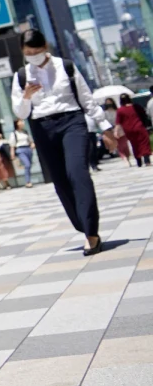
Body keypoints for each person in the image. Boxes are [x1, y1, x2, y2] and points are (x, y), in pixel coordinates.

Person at [12, 28, 110, 256]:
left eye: (37, 50)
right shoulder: (21, 76)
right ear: (23, 51)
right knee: (61, 181)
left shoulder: (65, 66)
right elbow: (20, 113)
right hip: (42, 128)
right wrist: (26, 96)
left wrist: (105, 127)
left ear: (45, 47)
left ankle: (91, 233)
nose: (33, 54)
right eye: (29, 51)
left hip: (72, 122)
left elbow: (86, 98)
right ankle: (83, 225)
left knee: (78, 173)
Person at [116, 94, 153, 167]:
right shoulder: (136, 107)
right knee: (144, 143)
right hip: (139, 127)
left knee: (135, 145)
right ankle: (147, 160)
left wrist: (116, 131)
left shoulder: (120, 110)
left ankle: (138, 161)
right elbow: (144, 116)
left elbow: (118, 122)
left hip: (129, 130)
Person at [9, 119, 36, 188]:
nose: (22, 123)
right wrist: (12, 154)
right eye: (20, 122)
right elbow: (12, 145)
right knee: (27, 164)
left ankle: (29, 179)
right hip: (20, 149)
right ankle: (28, 181)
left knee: (29, 165)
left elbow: (30, 140)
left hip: (28, 148)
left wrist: (32, 144)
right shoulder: (14, 133)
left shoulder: (25, 132)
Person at [103, 97, 128, 168]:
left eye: (110, 102)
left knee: (124, 144)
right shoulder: (105, 113)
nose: (109, 104)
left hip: (121, 128)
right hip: (112, 129)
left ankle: (127, 156)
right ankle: (124, 158)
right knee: (118, 145)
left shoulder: (117, 110)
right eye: (107, 103)